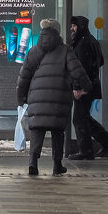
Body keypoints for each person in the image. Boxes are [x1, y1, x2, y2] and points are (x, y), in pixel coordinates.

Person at [17, 18, 91, 176]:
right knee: (58, 131)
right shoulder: (65, 50)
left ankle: (33, 163)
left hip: (37, 98)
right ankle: (57, 165)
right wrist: (87, 87)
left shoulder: (34, 51)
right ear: (57, 33)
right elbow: (77, 71)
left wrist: (21, 98)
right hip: (59, 98)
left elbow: (24, 77)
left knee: (37, 130)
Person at [67, 16, 108, 160]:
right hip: (91, 85)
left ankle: (86, 150)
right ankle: (106, 140)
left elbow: (81, 68)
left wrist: (79, 88)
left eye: (74, 26)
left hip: (84, 88)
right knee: (84, 117)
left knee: (78, 119)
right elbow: (99, 61)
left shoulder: (83, 43)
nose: (72, 28)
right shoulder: (91, 40)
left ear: (80, 26)